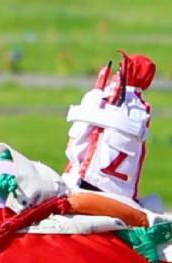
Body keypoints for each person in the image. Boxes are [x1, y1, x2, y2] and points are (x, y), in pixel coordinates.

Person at [61, 51, 156, 203]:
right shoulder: (143, 109)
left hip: (86, 184)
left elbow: (75, 147)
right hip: (124, 196)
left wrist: (93, 95)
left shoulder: (105, 97)